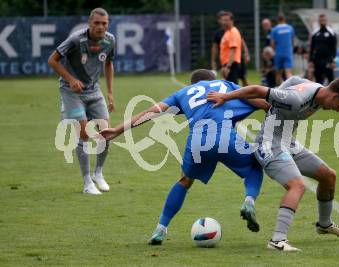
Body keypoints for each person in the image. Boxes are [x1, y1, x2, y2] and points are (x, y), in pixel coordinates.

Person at [99, 69, 271, 245]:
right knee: (254, 166)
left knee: (185, 180)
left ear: (192, 84)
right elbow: (265, 103)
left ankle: (160, 230)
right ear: (213, 80)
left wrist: (117, 130)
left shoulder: (182, 93)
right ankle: (249, 201)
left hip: (197, 141)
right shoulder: (226, 85)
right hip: (225, 136)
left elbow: (150, 112)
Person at [208, 76, 339, 251]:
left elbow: (294, 79)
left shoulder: (317, 90)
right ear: (335, 96)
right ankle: (277, 240)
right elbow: (256, 90)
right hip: (269, 144)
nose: (338, 110)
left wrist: (277, 98)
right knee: (297, 185)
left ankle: (324, 225)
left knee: (328, 176)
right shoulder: (295, 99)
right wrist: (225, 97)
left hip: (287, 142)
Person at [48, 8, 115, 195]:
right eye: (97, 23)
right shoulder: (76, 40)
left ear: (108, 24)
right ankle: (87, 183)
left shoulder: (110, 40)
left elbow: (109, 63)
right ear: (89, 23)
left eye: (104, 23)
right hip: (71, 92)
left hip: (94, 91)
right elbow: (52, 60)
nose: (101, 27)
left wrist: (110, 92)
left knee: (107, 133)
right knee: (84, 133)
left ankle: (98, 174)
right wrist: (70, 79)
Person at [211, 11, 250, 86]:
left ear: (231, 21)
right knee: (229, 85)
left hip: (232, 63)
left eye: (226, 20)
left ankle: (252, 96)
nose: (224, 22)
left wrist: (228, 67)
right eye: (223, 20)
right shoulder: (227, 32)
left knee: (232, 87)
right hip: (229, 63)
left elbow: (233, 50)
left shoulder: (233, 32)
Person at [309, 14, 337, 85]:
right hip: (317, 60)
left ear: (326, 21)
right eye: (321, 20)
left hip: (328, 60)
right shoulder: (315, 33)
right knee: (318, 80)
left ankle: (332, 95)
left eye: (324, 20)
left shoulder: (331, 32)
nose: (322, 22)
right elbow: (312, 47)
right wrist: (311, 60)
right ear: (319, 21)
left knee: (331, 79)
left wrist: (333, 60)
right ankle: (320, 95)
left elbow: (334, 47)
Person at [271, 13, 295, 85]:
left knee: (278, 73)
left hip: (278, 53)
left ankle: (278, 90)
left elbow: (272, 43)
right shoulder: (290, 28)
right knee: (288, 73)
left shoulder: (274, 29)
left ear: (277, 20)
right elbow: (293, 40)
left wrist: (274, 51)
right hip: (288, 52)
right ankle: (291, 90)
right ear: (284, 19)